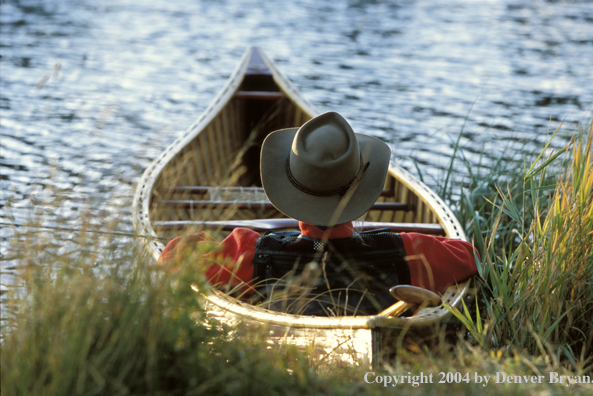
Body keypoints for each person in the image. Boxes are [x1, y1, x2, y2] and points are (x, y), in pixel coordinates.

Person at [158, 112, 478, 316]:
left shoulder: (249, 254)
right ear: (361, 187)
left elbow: (172, 257)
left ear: (292, 191)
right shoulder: (407, 251)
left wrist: (213, 239)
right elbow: (469, 256)